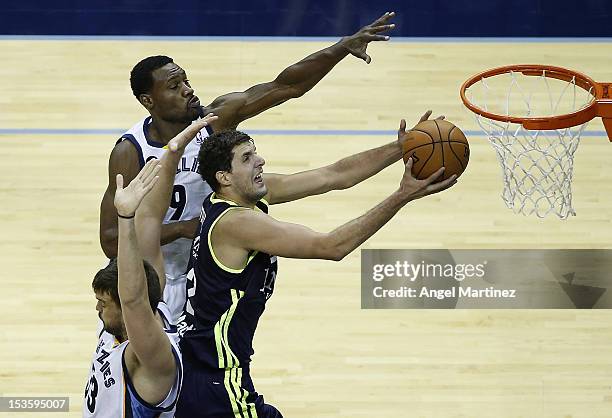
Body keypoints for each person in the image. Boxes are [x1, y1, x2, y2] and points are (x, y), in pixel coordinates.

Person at [98, 11, 396, 323]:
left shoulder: (214, 120)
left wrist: (341, 48)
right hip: (154, 277)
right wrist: (182, 229)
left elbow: (286, 86)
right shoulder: (130, 152)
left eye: (186, 80)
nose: (187, 89)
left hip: (207, 271)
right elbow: (109, 240)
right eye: (174, 86)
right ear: (149, 100)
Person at [175, 112, 458, 417]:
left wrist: (401, 147)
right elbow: (332, 246)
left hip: (204, 366)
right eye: (247, 157)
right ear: (224, 177)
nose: (261, 160)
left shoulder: (233, 198)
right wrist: (401, 196)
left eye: (255, 152)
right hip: (218, 377)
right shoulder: (238, 223)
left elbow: (333, 176)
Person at [85, 116, 217, 417]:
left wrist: (125, 218)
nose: (97, 310)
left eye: (103, 303)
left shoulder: (154, 358)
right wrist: (172, 153)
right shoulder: (146, 314)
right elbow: (151, 224)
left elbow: (132, 298)